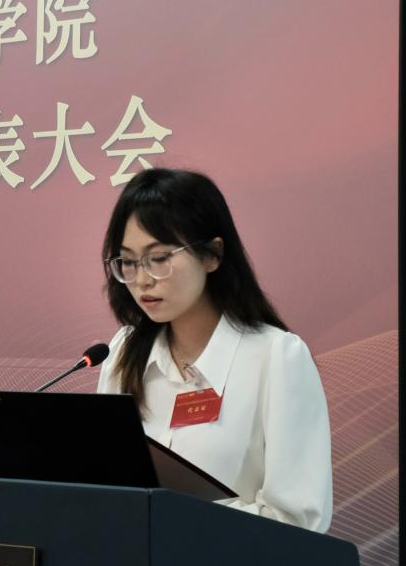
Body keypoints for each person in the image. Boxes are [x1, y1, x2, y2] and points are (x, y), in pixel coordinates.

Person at [95, 168, 332, 532]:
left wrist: (174, 520)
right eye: (128, 262)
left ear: (212, 254)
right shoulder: (124, 353)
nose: (141, 279)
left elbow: (297, 520)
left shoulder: (276, 357)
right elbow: (104, 489)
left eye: (159, 258)